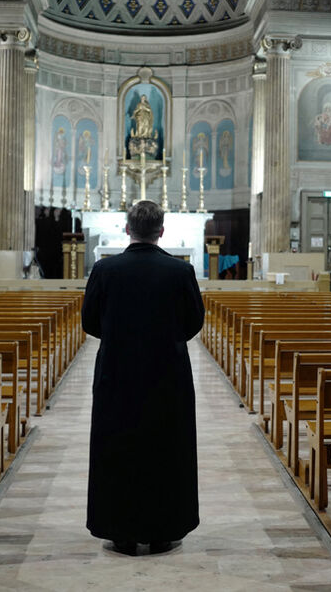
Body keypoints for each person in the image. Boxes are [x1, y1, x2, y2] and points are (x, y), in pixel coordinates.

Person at [81, 200, 205, 556]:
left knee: (117, 446)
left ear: (127, 229)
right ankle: (165, 530)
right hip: (168, 372)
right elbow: (194, 321)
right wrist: (167, 339)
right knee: (166, 446)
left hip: (117, 371)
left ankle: (119, 530)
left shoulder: (105, 270)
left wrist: (119, 337)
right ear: (161, 231)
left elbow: (89, 321)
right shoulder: (180, 271)